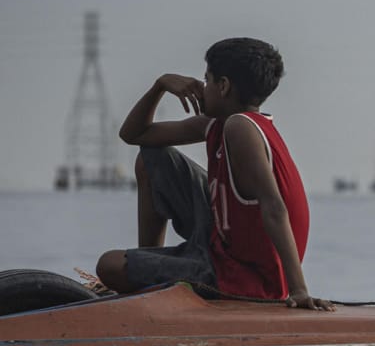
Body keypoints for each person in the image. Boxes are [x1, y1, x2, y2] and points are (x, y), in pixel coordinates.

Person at [96, 37, 331, 311]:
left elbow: (274, 206)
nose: (201, 86)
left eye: (206, 79)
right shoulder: (217, 125)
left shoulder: (240, 128)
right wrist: (160, 85)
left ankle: (141, 280)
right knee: (151, 157)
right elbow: (134, 135)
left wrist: (298, 290)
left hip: (243, 277)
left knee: (109, 265)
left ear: (223, 86)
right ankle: (148, 262)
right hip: (222, 244)